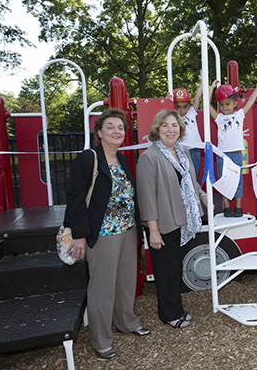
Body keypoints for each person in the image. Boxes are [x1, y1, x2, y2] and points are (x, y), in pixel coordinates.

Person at [65, 108, 150, 360]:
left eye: (120, 127)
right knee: (102, 287)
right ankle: (101, 340)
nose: (116, 131)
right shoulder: (88, 158)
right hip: (101, 233)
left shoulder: (122, 159)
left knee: (126, 282)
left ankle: (127, 322)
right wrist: (79, 235)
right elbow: (76, 199)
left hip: (126, 230)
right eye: (110, 127)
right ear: (99, 132)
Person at [136, 109, 207, 330]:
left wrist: (202, 195)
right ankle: (169, 314)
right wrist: (154, 231)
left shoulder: (182, 151)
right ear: (157, 129)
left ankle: (176, 309)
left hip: (182, 220)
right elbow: (147, 197)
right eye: (165, 125)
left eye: (174, 125)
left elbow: (191, 181)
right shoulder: (149, 157)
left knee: (175, 267)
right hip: (163, 223)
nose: (170, 129)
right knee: (165, 271)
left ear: (180, 129)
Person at [208, 80, 257, 217]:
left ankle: (238, 207)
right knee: (224, 180)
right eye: (221, 104)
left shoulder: (239, 115)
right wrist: (211, 88)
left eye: (227, 104)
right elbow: (207, 105)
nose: (224, 107)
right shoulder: (219, 118)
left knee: (238, 180)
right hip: (222, 154)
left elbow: (250, 102)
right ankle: (226, 207)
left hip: (237, 153)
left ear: (235, 104)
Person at [168, 77, 203, 172]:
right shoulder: (173, 116)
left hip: (194, 149)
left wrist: (202, 82)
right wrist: (167, 101)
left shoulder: (191, 112)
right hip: (181, 150)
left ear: (189, 104)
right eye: (178, 107)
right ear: (174, 106)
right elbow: (163, 115)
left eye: (184, 107)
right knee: (182, 175)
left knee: (194, 174)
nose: (181, 110)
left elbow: (198, 97)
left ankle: (194, 187)